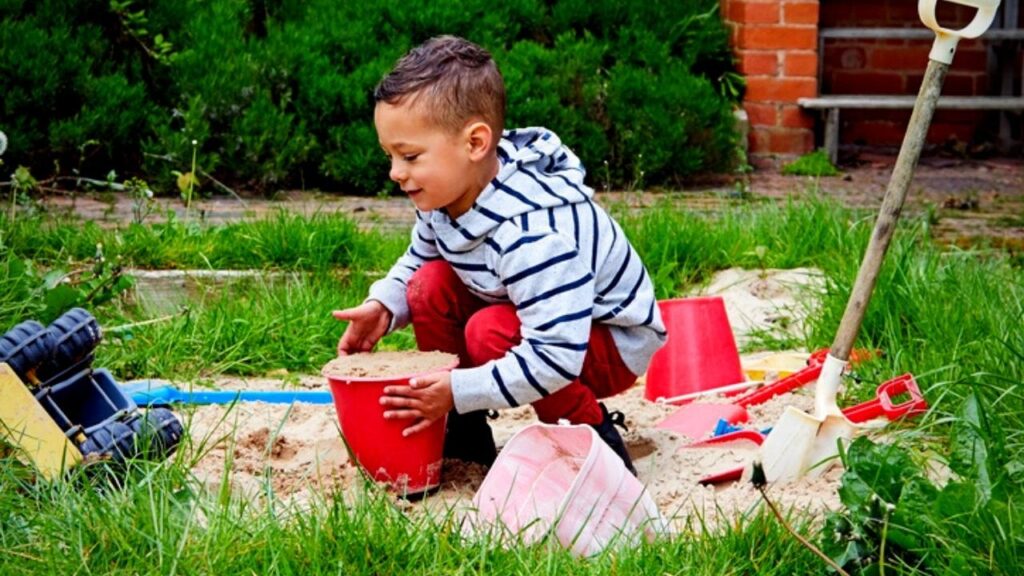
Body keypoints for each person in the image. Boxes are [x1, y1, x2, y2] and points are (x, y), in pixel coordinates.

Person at [332, 35, 665, 475]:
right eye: (390, 155)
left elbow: (556, 356)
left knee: (489, 332)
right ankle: (464, 433)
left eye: (410, 156)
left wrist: (459, 387)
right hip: (531, 312)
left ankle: (590, 439)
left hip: (604, 339)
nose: (396, 173)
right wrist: (384, 306)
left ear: (475, 143)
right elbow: (419, 259)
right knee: (426, 287)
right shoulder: (444, 195)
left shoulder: (532, 234)